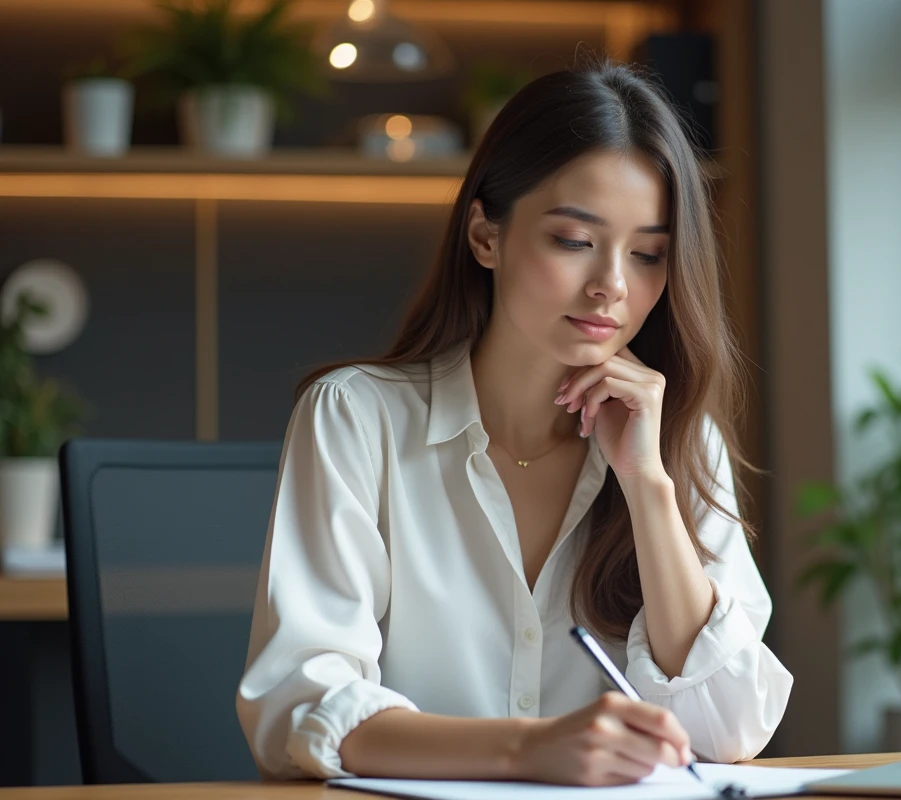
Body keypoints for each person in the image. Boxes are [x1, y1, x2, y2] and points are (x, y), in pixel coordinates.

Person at [235, 59, 792, 786]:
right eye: (573, 239)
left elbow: (728, 730)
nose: (613, 286)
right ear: (486, 237)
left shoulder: (678, 440)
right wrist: (528, 749)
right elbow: (299, 707)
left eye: (649, 254)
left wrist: (649, 488)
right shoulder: (356, 418)